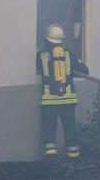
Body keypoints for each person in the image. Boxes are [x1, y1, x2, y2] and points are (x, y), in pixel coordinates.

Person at [36, 23, 89, 162]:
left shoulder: (40, 55)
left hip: (49, 100)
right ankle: (74, 158)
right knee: (70, 129)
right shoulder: (69, 54)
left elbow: (38, 71)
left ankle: (51, 159)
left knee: (49, 130)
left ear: (47, 39)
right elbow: (85, 70)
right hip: (68, 99)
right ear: (62, 39)